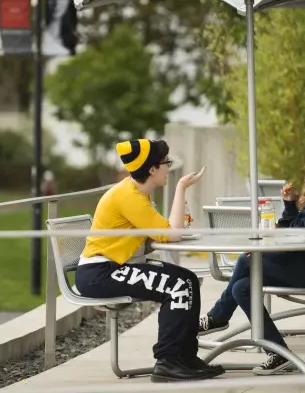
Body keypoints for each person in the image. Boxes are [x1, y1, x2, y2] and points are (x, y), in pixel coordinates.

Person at [198, 141, 305, 375]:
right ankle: (278, 353)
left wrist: (267, 249)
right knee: (242, 288)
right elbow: (299, 230)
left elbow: (300, 238)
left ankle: (218, 317)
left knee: (247, 261)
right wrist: (290, 205)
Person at [75, 139, 224, 383]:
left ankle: (185, 357)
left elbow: (164, 232)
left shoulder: (135, 194)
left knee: (187, 279)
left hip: (113, 267)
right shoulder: (129, 196)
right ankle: (168, 362)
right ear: (152, 169)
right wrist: (181, 188)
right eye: (166, 162)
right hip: (99, 273)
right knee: (177, 286)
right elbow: (171, 233)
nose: (169, 167)